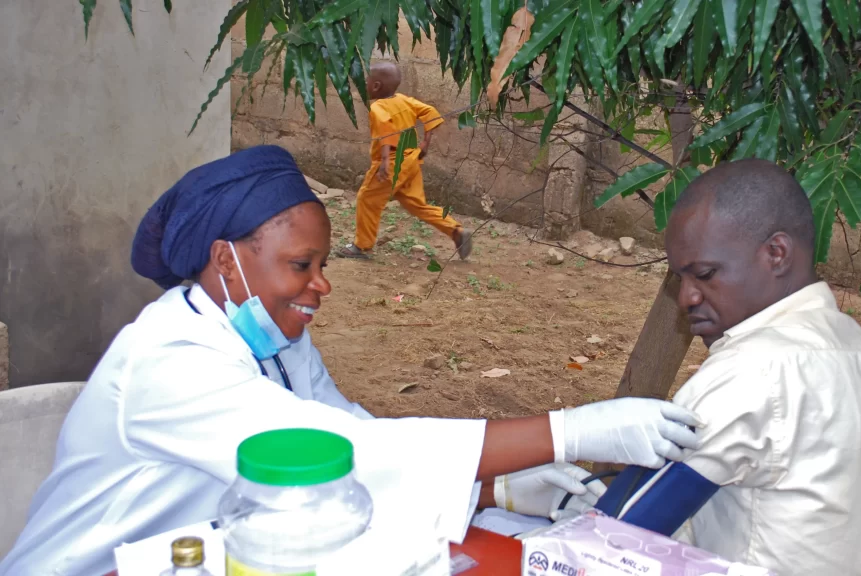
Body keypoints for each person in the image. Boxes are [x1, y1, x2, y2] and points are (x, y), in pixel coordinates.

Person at [0, 146, 704, 576]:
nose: (321, 285)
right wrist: (573, 431)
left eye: (324, 264)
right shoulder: (169, 364)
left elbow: (348, 434)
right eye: (301, 265)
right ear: (225, 260)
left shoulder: (270, 340)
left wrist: (503, 491)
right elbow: (346, 455)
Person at [601, 159, 861, 575]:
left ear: (776, 253)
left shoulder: (750, 372)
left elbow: (618, 533)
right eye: (679, 279)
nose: (686, 298)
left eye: (704, 274)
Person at [337, 61, 471, 260]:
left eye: (366, 79)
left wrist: (383, 162)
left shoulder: (378, 108)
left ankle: (361, 246)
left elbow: (385, 130)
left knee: (367, 199)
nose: (363, 83)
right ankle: (456, 231)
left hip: (391, 162)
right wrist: (426, 141)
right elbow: (429, 112)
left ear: (376, 86)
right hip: (411, 161)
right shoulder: (404, 100)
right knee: (417, 205)